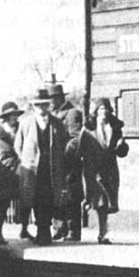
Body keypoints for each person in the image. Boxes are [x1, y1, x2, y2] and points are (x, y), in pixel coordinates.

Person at [14, 88, 69, 246]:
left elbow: (63, 144)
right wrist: (27, 160)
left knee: (48, 200)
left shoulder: (57, 123)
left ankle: (44, 233)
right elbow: (18, 146)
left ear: (49, 105)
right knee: (34, 199)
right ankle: (39, 231)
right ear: (33, 106)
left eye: (45, 105)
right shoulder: (26, 123)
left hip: (50, 169)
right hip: (32, 171)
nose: (42, 108)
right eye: (38, 105)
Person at [73, 97, 129, 244]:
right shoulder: (88, 129)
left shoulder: (115, 128)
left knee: (108, 202)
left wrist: (122, 145)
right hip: (93, 169)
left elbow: (121, 152)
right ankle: (103, 233)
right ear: (96, 112)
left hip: (109, 170)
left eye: (106, 109)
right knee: (101, 202)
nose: (103, 112)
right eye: (100, 109)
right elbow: (79, 151)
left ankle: (102, 231)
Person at [48, 84, 85, 242]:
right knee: (57, 197)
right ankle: (59, 228)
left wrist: (63, 154)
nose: (51, 102)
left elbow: (75, 138)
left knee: (71, 197)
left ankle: (72, 230)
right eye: (50, 99)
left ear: (61, 98)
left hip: (69, 162)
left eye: (54, 98)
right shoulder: (51, 114)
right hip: (54, 163)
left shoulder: (72, 113)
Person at [0, 101, 23, 245]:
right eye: (11, 115)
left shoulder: (22, 129)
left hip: (21, 169)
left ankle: (25, 228)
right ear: (6, 117)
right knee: (3, 203)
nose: (14, 118)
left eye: (15, 115)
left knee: (25, 199)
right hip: (4, 172)